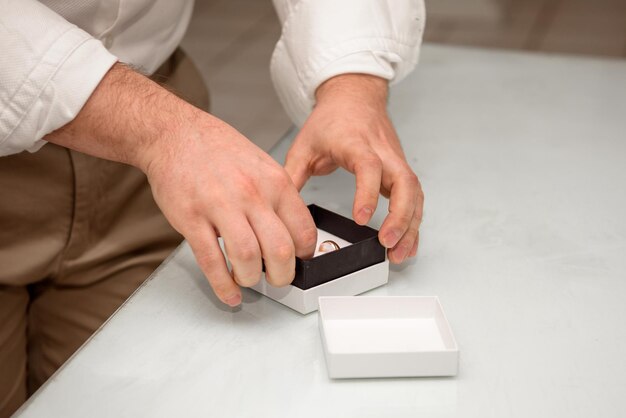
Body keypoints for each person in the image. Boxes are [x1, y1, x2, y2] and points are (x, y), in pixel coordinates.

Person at [0, 0, 425, 415]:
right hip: (96, 137)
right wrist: (164, 131)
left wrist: (350, 81)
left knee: (135, 394)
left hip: (148, 160)